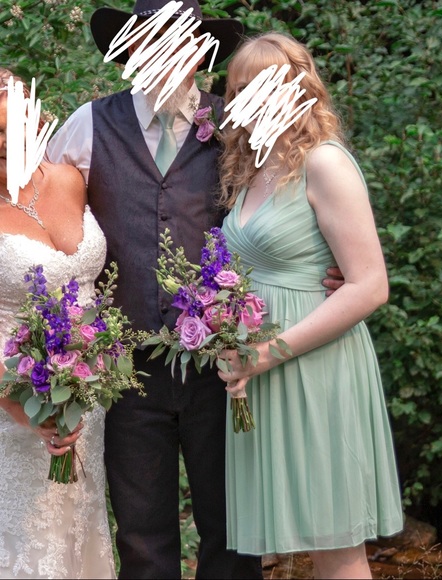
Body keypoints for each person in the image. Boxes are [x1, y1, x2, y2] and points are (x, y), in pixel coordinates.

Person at [45, 1, 341, 577]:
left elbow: (294, 197)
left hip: (226, 366)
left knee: (233, 534)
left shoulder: (239, 122)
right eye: (150, 41)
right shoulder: (88, 124)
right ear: (130, 51)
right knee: (141, 538)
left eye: (181, 42)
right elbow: (39, 206)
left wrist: (325, 267)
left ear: (201, 53)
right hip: (125, 369)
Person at [216, 32, 405, 579]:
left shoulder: (324, 163)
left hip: (315, 363)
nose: (249, 99)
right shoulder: (251, 170)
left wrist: (267, 352)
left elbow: (370, 285)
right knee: (299, 542)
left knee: (336, 543)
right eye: (238, 89)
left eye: (264, 86)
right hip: (261, 373)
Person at [0, 69, 115, 579]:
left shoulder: (69, 179)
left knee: (78, 531)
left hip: (86, 398)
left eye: (16, 126)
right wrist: (22, 408)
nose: (7, 142)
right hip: (15, 403)